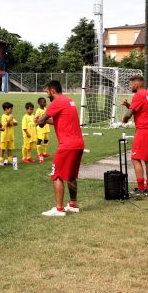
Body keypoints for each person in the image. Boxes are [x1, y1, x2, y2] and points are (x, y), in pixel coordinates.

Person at [36, 80, 85, 217]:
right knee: (71, 175)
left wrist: (40, 120)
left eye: (47, 92)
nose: (46, 95)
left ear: (52, 90)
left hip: (67, 145)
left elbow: (41, 121)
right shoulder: (69, 101)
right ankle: (73, 204)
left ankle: (59, 209)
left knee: (57, 175)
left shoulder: (56, 102)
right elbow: (58, 121)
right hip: (78, 144)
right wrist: (43, 121)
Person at [121, 75, 148, 196]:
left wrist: (124, 119)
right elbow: (141, 109)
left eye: (131, 84)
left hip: (143, 131)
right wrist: (128, 105)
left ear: (137, 84)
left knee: (135, 158)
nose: (130, 86)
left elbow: (129, 114)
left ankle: (141, 188)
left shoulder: (139, 95)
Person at [0, 102, 17, 166]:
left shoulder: (10, 116)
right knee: (3, 149)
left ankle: (9, 160)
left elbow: (16, 123)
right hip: (5, 136)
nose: (11, 110)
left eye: (11, 108)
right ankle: (1, 161)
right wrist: (10, 120)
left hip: (11, 136)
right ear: (6, 109)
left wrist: (12, 122)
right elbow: (6, 125)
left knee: (10, 149)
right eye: (10, 109)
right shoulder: (3, 116)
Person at [35, 97, 51, 162]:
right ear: (39, 103)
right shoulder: (38, 110)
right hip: (41, 129)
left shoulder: (46, 109)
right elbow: (36, 119)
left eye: (45, 102)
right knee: (39, 140)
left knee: (46, 140)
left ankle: (44, 153)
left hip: (46, 127)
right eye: (43, 102)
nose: (45, 103)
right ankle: (39, 154)